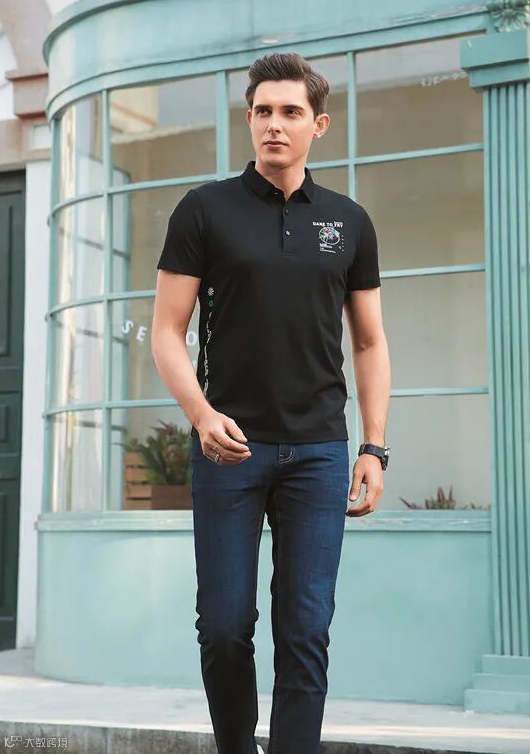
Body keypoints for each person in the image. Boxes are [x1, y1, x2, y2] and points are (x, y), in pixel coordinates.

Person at [151, 51, 391, 754]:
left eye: (290, 112)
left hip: (318, 451)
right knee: (224, 627)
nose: (274, 125)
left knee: (305, 627)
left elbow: (369, 342)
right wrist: (201, 415)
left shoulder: (348, 221)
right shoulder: (204, 210)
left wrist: (373, 446)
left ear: (318, 125)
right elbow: (165, 331)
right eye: (262, 111)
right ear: (249, 120)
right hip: (228, 449)